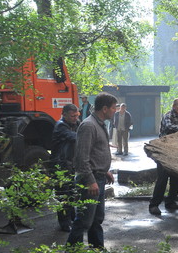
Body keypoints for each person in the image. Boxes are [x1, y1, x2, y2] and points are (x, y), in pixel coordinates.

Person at [67, 92, 117, 249]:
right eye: (114, 108)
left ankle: (97, 248)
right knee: (84, 220)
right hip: (91, 181)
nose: (115, 110)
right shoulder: (89, 125)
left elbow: (96, 152)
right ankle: (72, 250)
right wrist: (91, 180)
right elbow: (81, 159)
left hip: (99, 177)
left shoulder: (100, 124)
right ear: (104, 108)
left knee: (96, 218)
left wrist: (104, 171)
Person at [50, 103, 80, 232]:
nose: (75, 118)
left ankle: (72, 218)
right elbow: (74, 137)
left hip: (70, 164)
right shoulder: (60, 126)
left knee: (71, 192)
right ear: (64, 115)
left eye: (77, 115)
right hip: (59, 165)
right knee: (63, 194)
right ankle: (64, 223)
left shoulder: (75, 124)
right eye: (72, 116)